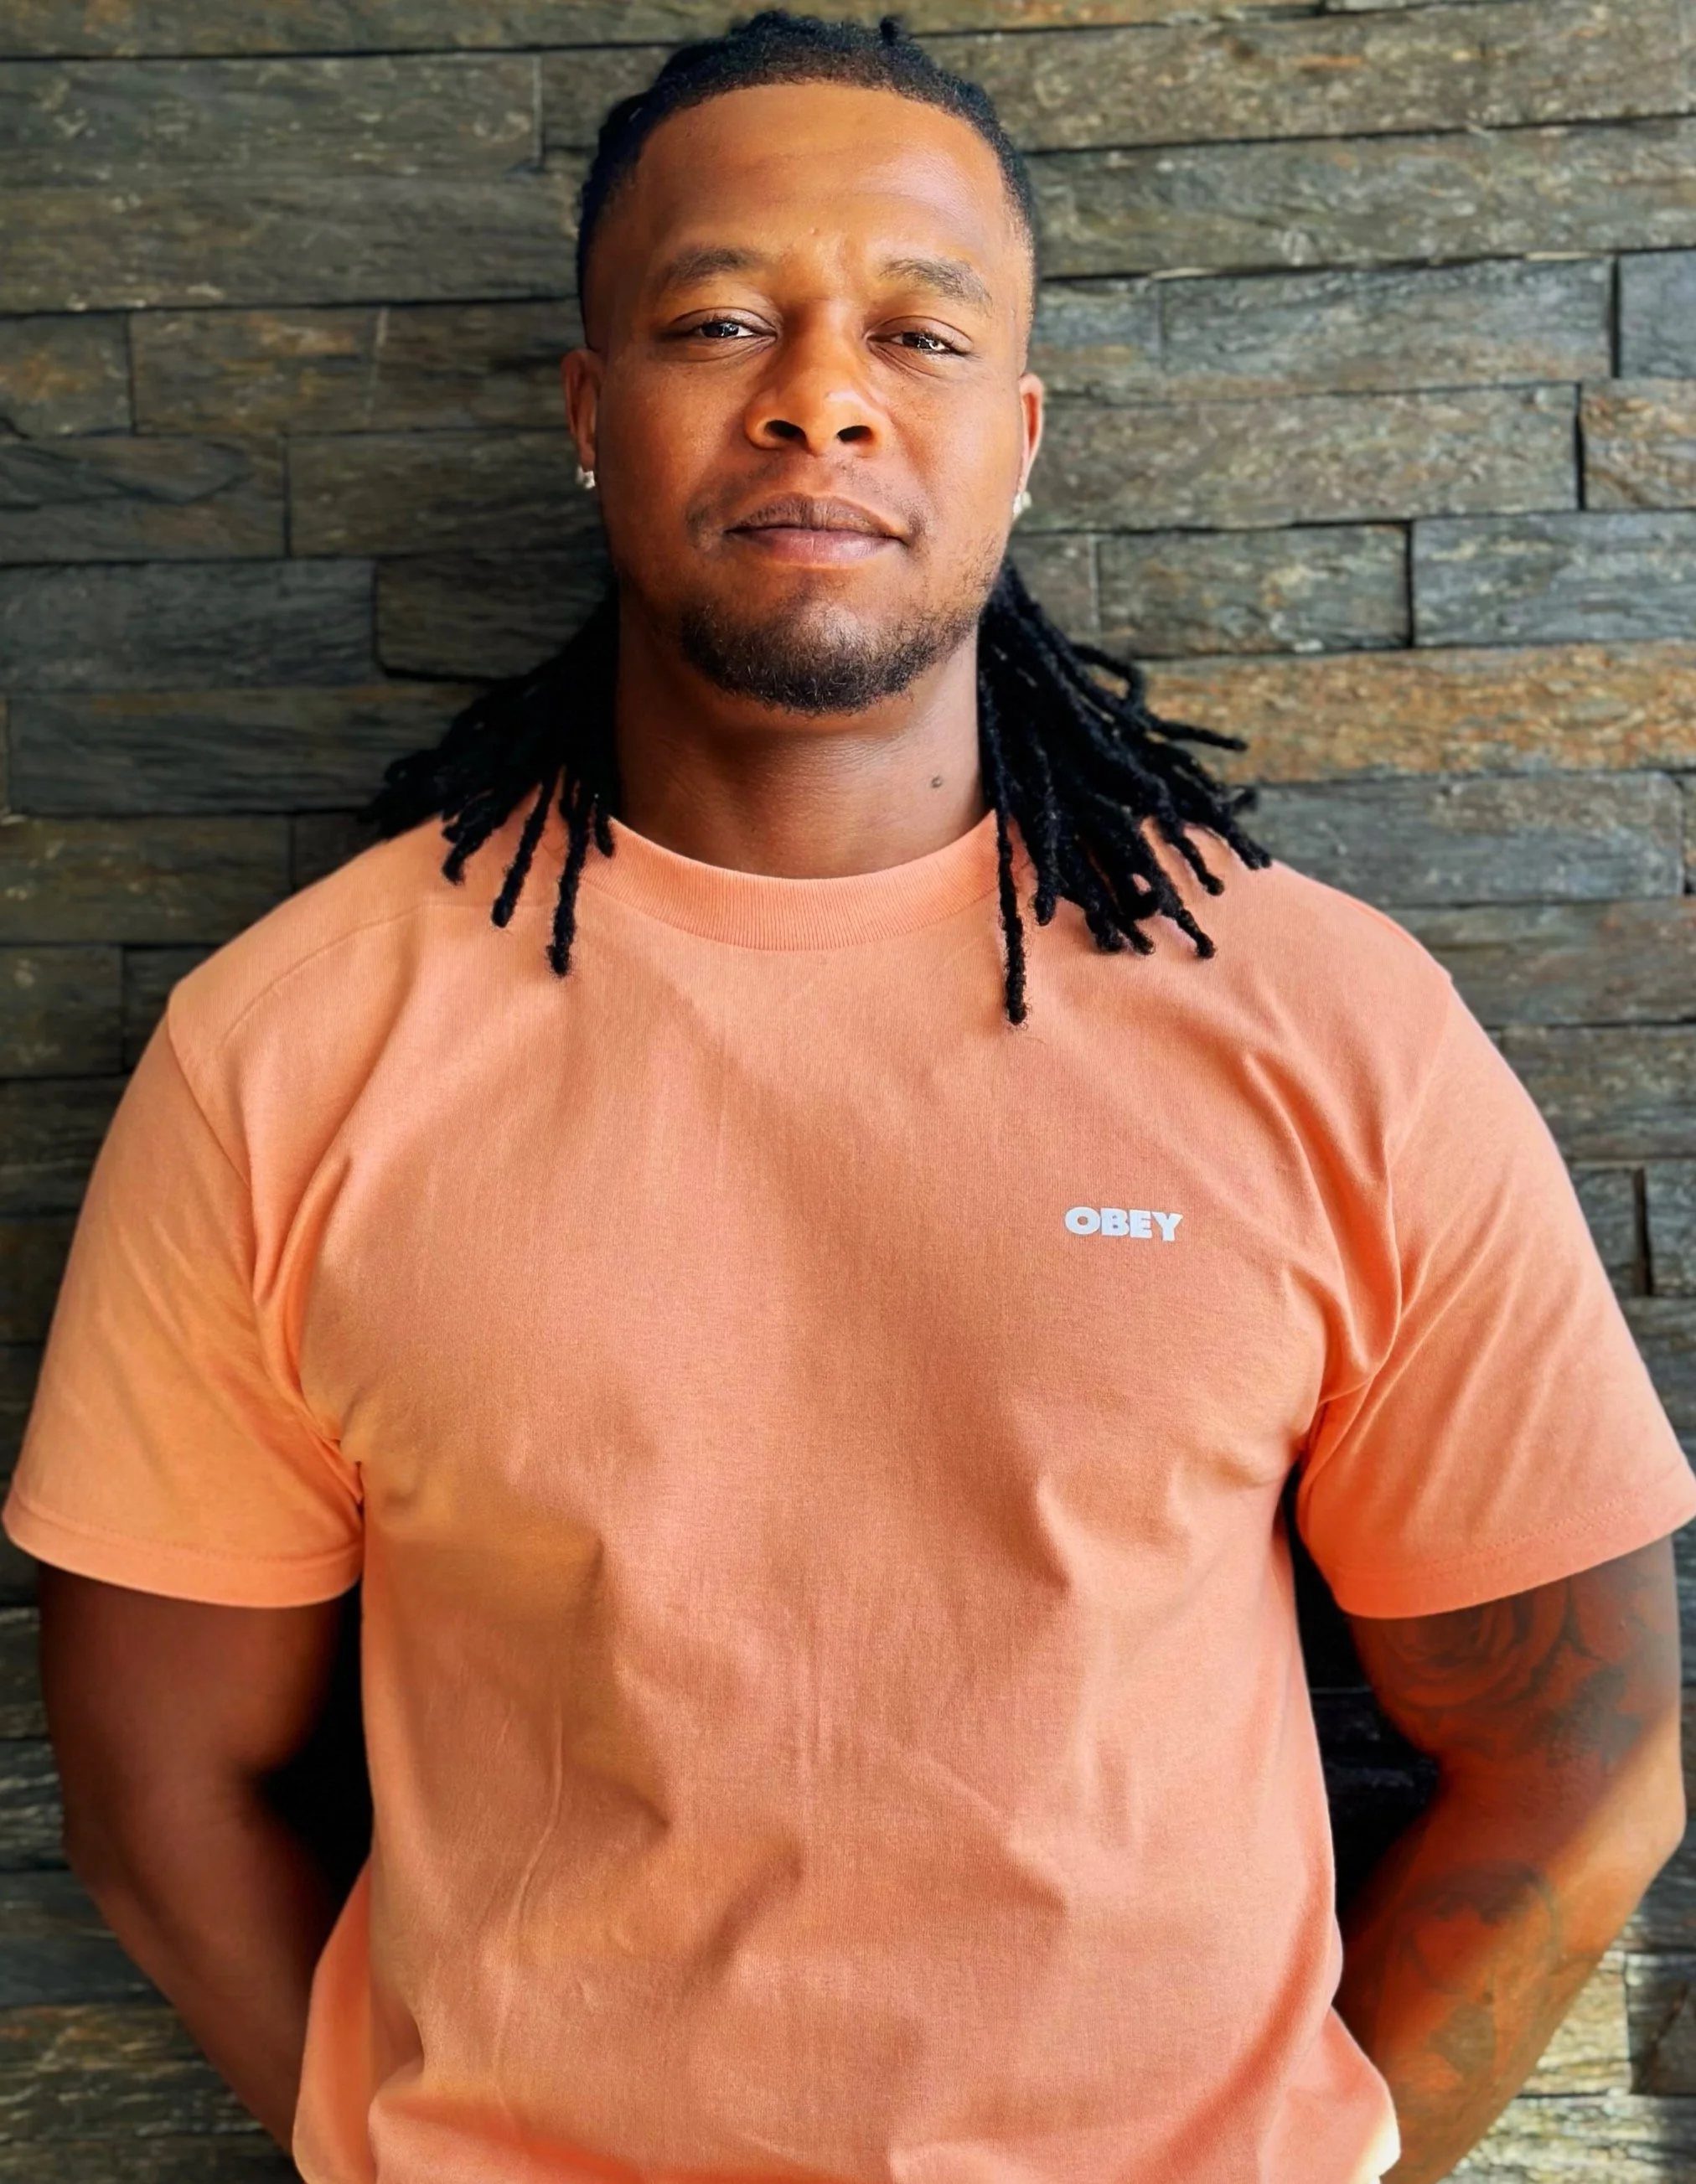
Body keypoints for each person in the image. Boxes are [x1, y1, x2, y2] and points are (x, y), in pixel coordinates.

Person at [8, 15, 1693, 2184]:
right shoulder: (285, 1054)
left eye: (917, 325)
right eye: (723, 317)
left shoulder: (1326, 1029)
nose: (821, 387)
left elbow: (1594, 1743)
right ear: (593, 414)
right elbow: (157, 1794)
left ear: (1021, 434)